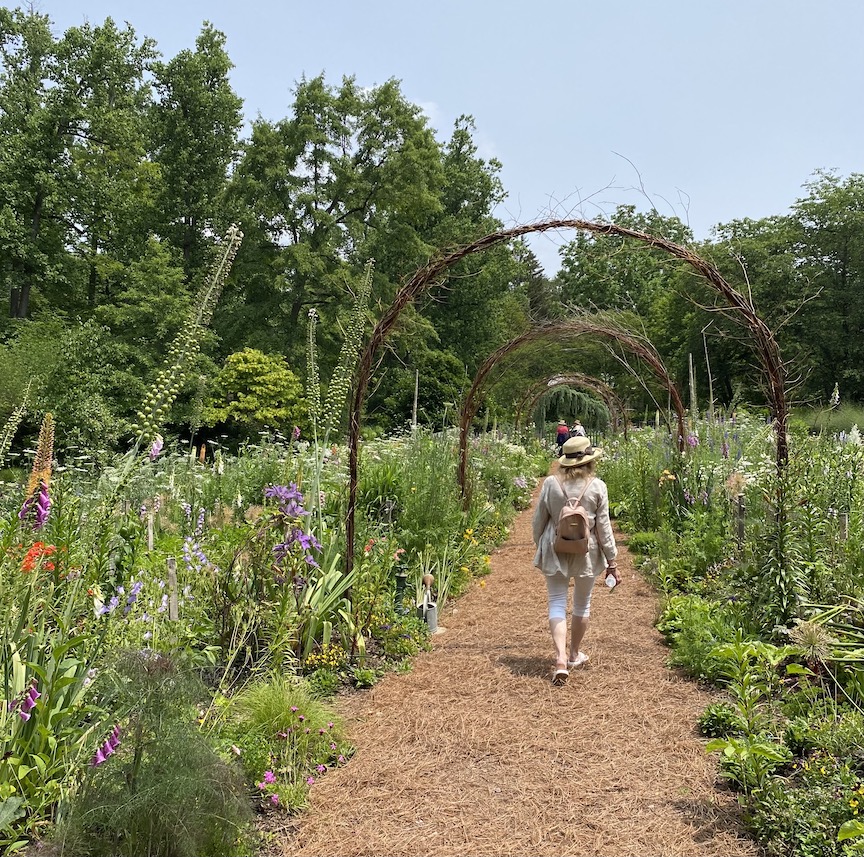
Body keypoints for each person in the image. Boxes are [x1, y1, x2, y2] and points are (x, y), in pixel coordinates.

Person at [531, 435, 619, 685]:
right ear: (589, 461)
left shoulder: (551, 483)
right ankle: (574, 654)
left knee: (557, 602)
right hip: (586, 552)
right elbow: (603, 528)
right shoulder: (597, 486)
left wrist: (541, 545)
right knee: (582, 604)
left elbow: (538, 521)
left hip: (555, 548)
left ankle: (559, 659)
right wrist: (612, 561)